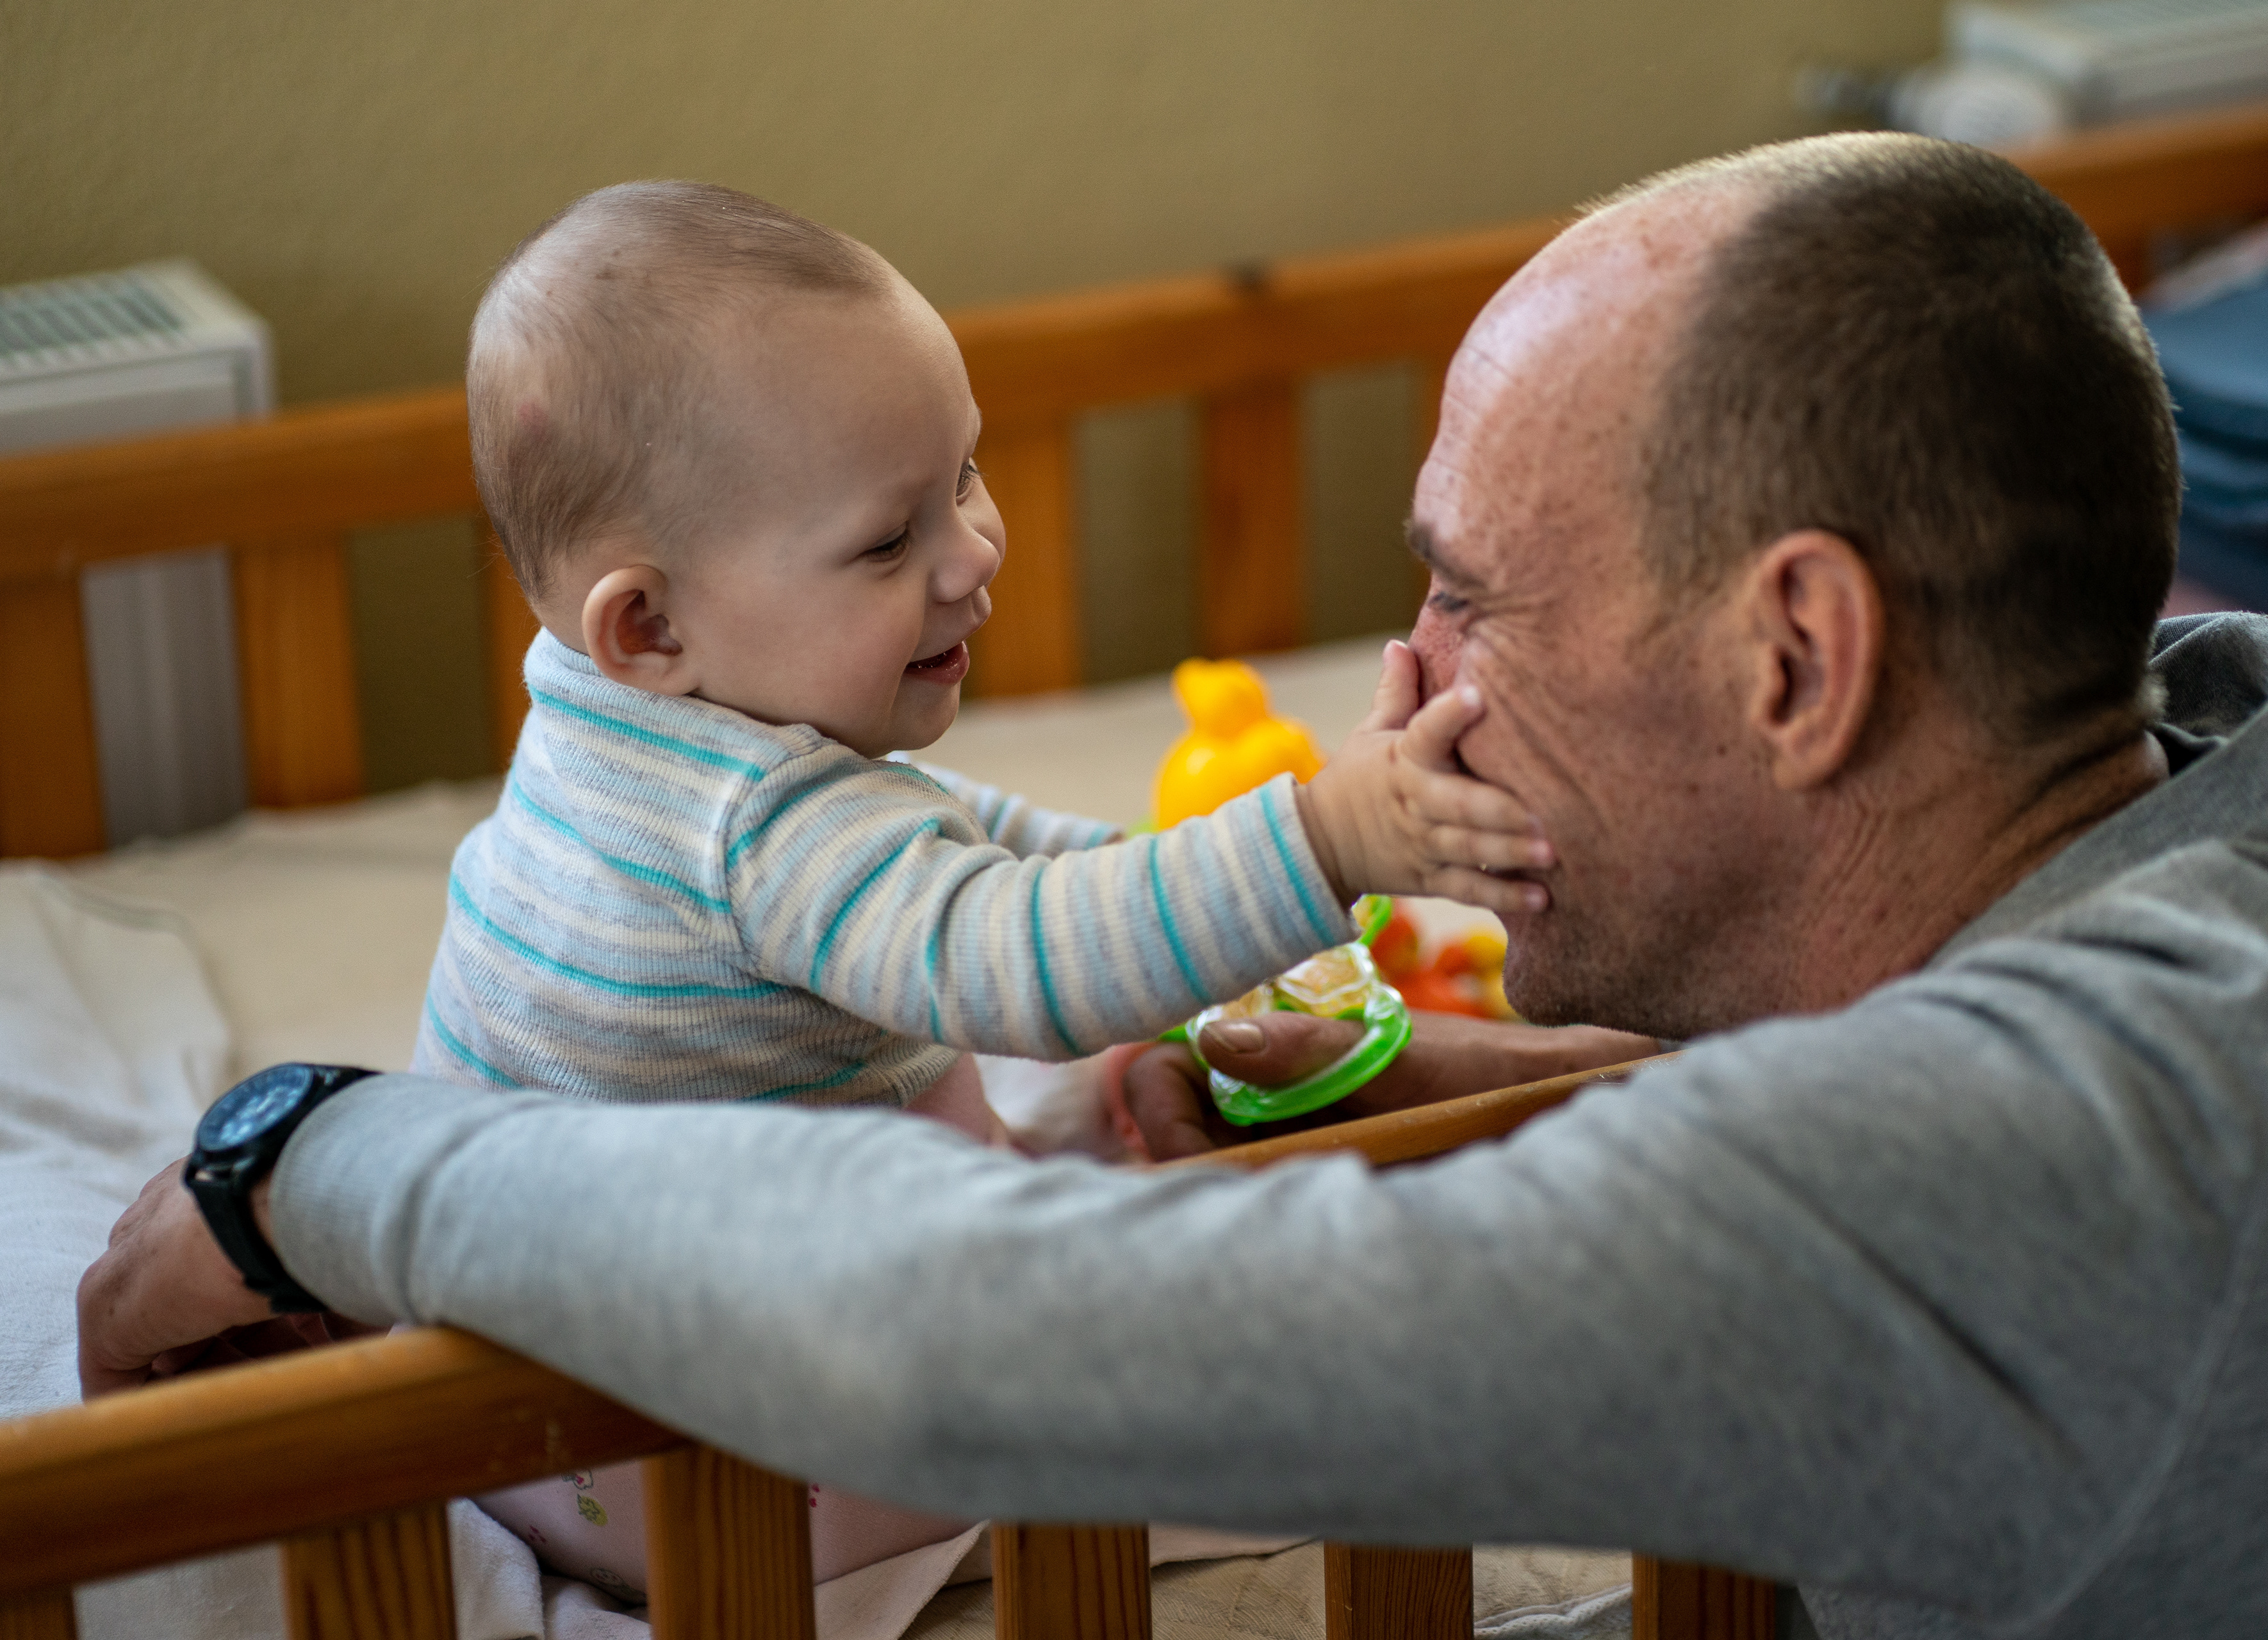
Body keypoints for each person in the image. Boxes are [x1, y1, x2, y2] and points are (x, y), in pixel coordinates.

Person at [81, 133, 2268, 1639]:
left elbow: (962, 1342)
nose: (1407, 675)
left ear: (1803, 660)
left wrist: (322, 1148)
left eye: (1471, 605)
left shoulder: (2063, 1147)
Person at [412, 178, 1556, 1588]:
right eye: (890, 541)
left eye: (962, 475)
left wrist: (1189, 884)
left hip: (513, 1403)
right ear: (650, 621)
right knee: (1288, 1337)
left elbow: (950, 834)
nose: (976, 548)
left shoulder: (616, 712)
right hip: (751, 1465)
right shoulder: (761, 822)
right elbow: (1010, 959)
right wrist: (1318, 849)